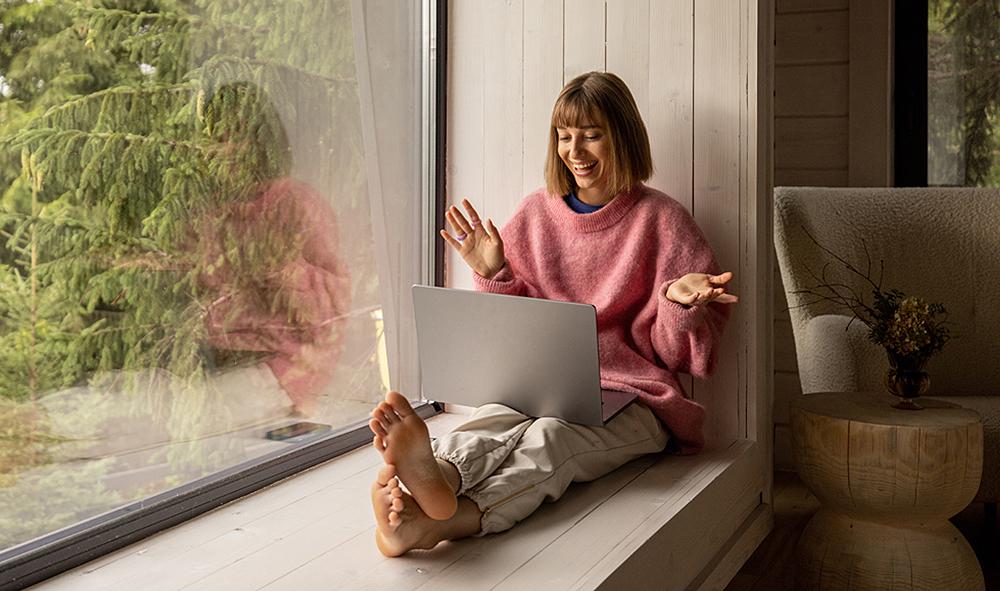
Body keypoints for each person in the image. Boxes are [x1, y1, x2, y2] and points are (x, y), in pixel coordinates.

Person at [368, 71, 737, 556]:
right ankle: (436, 474)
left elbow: (681, 358)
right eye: (564, 137)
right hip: (537, 389)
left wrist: (677, 304)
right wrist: (494, 273)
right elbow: (509, 341)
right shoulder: (535, 215)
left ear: (623, 135)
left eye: (592, 135)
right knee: (494, 418)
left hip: (635, 399)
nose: (575, 152)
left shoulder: (663, 221)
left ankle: (441, 521)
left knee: (552, 442)